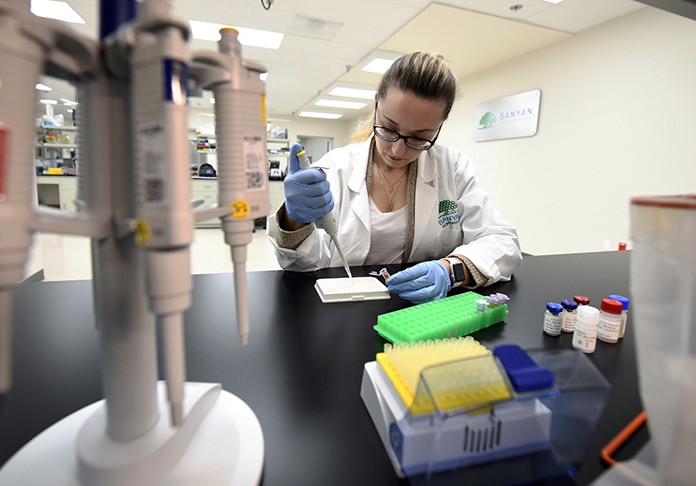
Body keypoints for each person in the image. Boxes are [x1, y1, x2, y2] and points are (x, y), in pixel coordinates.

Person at [267, 51, 521, 304]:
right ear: (377, 103)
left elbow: (502, 240)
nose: (398, 151)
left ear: (440, 126)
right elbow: (303, 266)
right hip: (346, 311)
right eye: (389, 128)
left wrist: (451, 269)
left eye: (419, 137)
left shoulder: (452, 169)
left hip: (421, 314)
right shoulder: (335, 168)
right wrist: (294, 220)